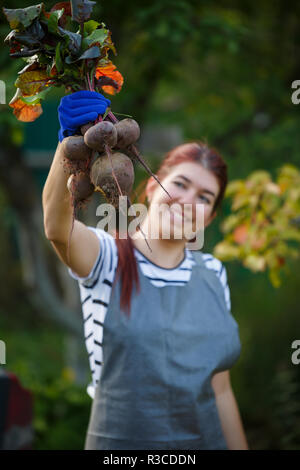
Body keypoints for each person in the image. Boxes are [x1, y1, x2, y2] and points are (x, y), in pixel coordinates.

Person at [42, 90, 249, 451]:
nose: (187, 201)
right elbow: (57, 229)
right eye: (181, 184)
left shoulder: (213, 272)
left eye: (204, 197)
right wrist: (68, 147)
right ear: (153, 186)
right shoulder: (106, 256)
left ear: (211, 217)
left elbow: (220, 389)